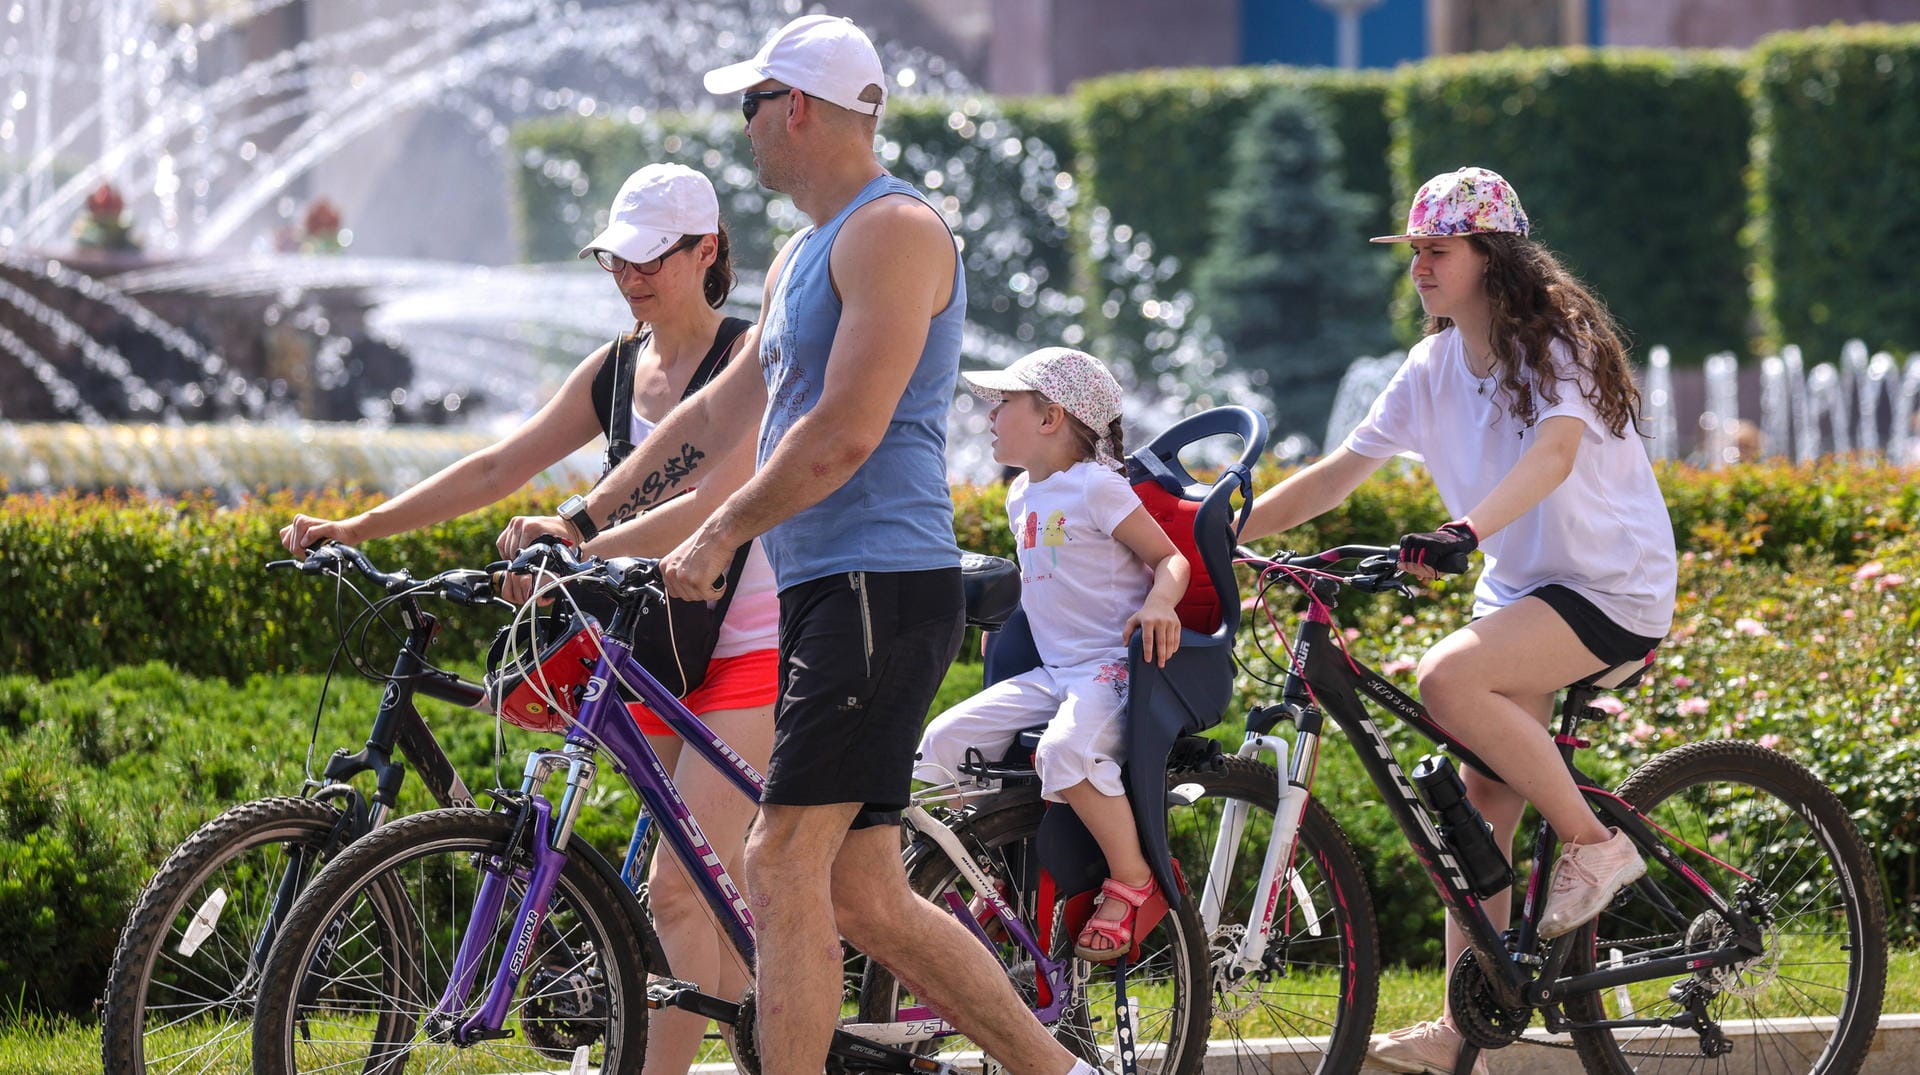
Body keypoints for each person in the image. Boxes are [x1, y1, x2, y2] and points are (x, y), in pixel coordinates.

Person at [495, 15, 1111, 1075]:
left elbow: (846, 429)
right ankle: (1060, 1071)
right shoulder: (799, 252)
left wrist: (722, 530)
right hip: (836, 593)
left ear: (799, 110)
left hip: (879, 586)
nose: (743, 131)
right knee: (862, 894)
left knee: (777, 862)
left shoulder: (896, 231)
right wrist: (585, 522)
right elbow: (718, 419)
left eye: (750, 107)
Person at [281, 162, 779, 1075]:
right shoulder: (619, 367)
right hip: (659, 643)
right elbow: (495, 466)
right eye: (614, 259)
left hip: (746, 642)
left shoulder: (747, 360)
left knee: (678, 888)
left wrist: (580, 548)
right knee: (705, 889)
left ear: (707, 252)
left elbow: (720, 497)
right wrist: (359, 522)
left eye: (650, 259)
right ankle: (759, 1041)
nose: (629, 277)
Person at [1242, 166, 1678, 1075]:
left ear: (1493, 257)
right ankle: (1465, 1017)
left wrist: (1464, 529)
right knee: (1474, 819)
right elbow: (1335, 476)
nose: (1420, 269)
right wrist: (1222, 529)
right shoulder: (1432, 366)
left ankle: (1598, 850)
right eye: (1414, 254)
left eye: (1437, 250)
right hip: (1522, 593)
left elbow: (1555, 453)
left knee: (1447, 675)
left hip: (1609, 586)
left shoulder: (1561, 346)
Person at [914, 345, 1189, 960]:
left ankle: (1135, 880)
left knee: (1064, 753)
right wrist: (1012, 620)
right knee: (945, 741)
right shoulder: (1020, 496)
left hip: (1112, 670)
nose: (988, 415)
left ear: (1050, 418)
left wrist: (1159, 605)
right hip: (1055, 672)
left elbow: (1169, 558)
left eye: (1002, 403)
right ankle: (994, 868)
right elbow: (1046, 573)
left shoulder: (1098, 487)